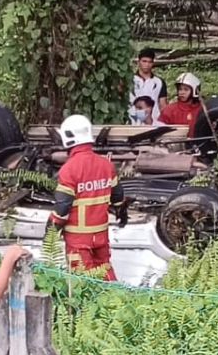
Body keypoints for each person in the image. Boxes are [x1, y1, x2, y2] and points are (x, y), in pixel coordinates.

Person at [50, 114, 126, 281]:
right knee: (105, 273)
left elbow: (62, 209)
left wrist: (51, 230)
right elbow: (118, 196)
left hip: (78, 239)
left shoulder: (69, 169)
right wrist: (121, 211)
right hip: (101, 235)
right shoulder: (106, 164)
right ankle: (117, 303)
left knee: (83, 284)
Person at [157, 72, 204, 136]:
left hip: (198, 144)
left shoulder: (203, 109)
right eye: (180, 89)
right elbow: (159, 131)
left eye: (186, 89)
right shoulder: (169, 110)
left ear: (195, 91)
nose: (182, 92)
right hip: (174, 144)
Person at [130, 48, 167, 122]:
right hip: (132, 121)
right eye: (144, 61)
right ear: (138, 62)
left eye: (150, 62)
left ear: (153, 63)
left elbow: (163, 105)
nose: (147, 64)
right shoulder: (130, 79)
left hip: (153, 122)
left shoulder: (159, 82)